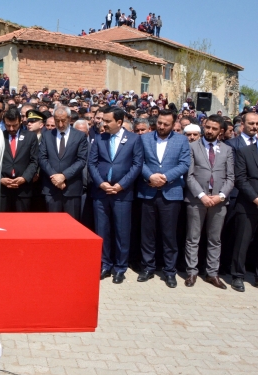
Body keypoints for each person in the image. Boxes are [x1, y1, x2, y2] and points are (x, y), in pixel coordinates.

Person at [89, 107, 143, 284]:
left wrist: (121, 185)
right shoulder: (99, 138)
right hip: (101, 192)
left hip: (122, 194)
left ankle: (120, 267)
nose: (103, 124)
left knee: (121, 231)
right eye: (103, 120)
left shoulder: (134, 139)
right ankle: (105, 264)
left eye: (107, 121)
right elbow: (92, 163)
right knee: (102, 230)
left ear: (119, 122)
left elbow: (136, 165)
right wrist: (101, 183)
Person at [137, 109, 191, 288]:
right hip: (148, 190)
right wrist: (150, 176)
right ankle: (148, 267)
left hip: (171, 192)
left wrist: (165, 177)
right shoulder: (145, 138)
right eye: (159, 122)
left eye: (165, 124)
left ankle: (169, 271)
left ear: (174, 124)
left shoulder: (182, 140)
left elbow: (184, 164)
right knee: (147, 233)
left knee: (169, 235)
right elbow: (139, 162)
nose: (161, 126)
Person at [184, 115, 234, 289]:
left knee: (215, 239)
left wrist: (220, 196)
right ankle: (191, 271)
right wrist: (201, 195)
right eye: (208, 127)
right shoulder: (192, 147)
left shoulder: (227, 150)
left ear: (221, 131)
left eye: (214, 128)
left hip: (218, 201)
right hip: (197, 200)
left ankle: (212, 273)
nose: (210, 131)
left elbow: (230, 177)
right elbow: (189, 176)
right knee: (193, 237)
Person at [39, 107, 89, 220]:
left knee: (72, 228)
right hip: (51, 188)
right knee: (52, 226)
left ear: (69, 119)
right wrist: (55, 177)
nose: (60, 124)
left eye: (63, 120)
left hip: (71, 188)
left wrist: (64, 176)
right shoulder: (47, 136)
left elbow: (81, 160)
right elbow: (42, 158)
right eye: (57, 121)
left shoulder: (79, 136)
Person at [230, 123, 258, 292]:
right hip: (248, 204)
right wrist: (255, 198)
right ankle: (238, 276)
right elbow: (240, 178)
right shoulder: (245, 152)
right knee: (242, 242)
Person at [0, 107, 39, 212]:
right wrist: (0, 179)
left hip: (23, 190)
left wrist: (25, 178)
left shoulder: (30, 137)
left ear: (20, 121)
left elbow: (34, 161)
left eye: (15, 125)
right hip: (3, 189)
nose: (11, 129)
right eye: (8, 125)